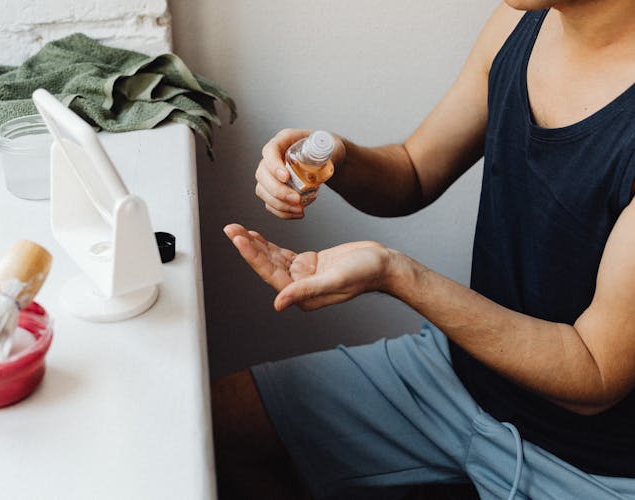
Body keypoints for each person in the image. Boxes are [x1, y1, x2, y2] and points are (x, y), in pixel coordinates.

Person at [215, 0, 635, 499]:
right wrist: (336, 160)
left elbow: (593, 372)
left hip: (592, 466)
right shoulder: (520, 21)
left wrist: (397, 275)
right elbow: (413, 171)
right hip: (461, 379)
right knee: (216, 425)